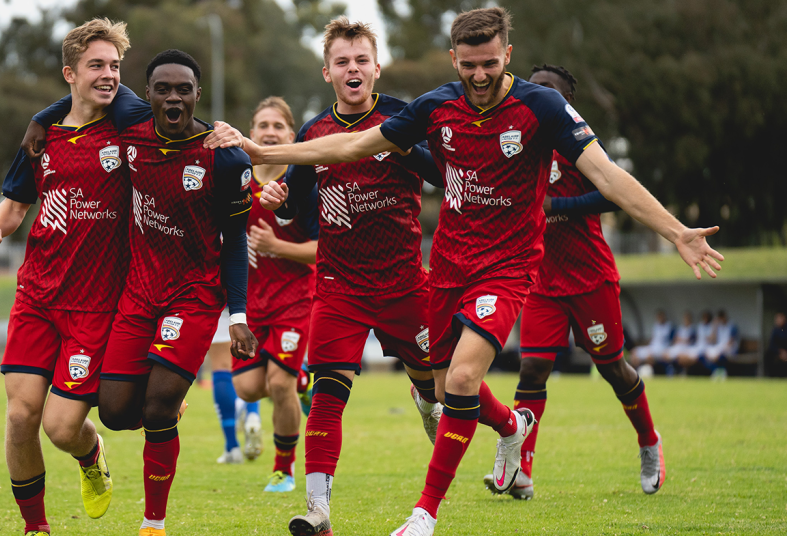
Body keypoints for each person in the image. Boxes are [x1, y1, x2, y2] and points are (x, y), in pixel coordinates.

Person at [204, 8, 723, 535]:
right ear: (454, 59)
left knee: (463, 377)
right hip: (435, 271)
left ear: (508, 57)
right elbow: (352, 145)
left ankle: (424, 515)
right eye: (469, 65)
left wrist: (675, 230)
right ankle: (502, 431)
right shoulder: (434, 107)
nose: (480, 76)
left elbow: (609, 177)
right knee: (418, 390)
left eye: (490, 64)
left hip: (493, 269)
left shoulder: (541, 107)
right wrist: (261, 152)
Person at [222, 18, 455, 536]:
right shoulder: (312, 134)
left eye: (361, 60)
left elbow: (442, 173)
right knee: (327, 394)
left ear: (377, 66)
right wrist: (283, 209)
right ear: (327, 72)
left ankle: (430, 400)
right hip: (338, 289)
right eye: (342, 62)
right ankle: (317, 509)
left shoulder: (403, 116)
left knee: (435, 386)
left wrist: (400, 145)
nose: (353, 69)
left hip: (403, 285)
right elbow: (304, 215)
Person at [26, 49, 259, 536]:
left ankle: (153, 523)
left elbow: (234, 243)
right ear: (147, 95)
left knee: (155, 408)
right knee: (112, 413)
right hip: (138, 294)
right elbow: (85, 93)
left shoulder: (225, 157)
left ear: (198, 94)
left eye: (184, 90)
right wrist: (39, 119)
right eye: (163, 89)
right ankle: (169, 400)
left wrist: (237, 315)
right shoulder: (130, 123)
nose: (173, 98)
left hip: (193, 297)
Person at [479, 63, 665, 501]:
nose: (536, 95)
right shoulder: (515, 148)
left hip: (590, 278)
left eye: (548, 90)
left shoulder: (579, 145)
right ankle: (522, 471)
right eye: (532, 87)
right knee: (532, 368)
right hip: (541, 281)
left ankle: (648, 442)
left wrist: (557, 207)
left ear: (565, 103)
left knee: (613, 371)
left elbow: (611, 193)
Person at [0, 18, 131, 536]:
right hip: (37, 296)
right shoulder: (42, 137)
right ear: (70, 73)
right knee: (20, 418)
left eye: (114, 66)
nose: (108, 75)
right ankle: (35, 528)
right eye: (96, 66)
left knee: (62, 429)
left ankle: (92, 456)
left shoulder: (129, 129)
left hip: (95, 305)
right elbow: (15, 205)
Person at [231, 96, 319, 492]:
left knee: (278, 385)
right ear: (251, 133)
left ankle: (283, 469)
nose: (269, 132)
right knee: (248, 387)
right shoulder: (235, 179)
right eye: (262, 125)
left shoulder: (300, 184)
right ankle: (301, 379)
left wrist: (277, 247)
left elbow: (325, 249)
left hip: (296, 300)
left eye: (277, 126)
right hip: (250, 305)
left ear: (291, 133)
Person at [210, 309, 262, 465]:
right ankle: (253, 413)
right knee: (248, 360)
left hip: (219, 300)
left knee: (221, 365)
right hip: (248, 300)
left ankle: (232, 447)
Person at [703, 309, 739, 378]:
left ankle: (721, 372)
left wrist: (721, 349)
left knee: (720, 354)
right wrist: (714, 326)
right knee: (705, 354)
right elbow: (712, 340)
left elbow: (731, 341)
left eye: (721, 318)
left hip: (731, 348)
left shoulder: (732, 326)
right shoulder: (719, 326)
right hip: (720, 347)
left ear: (724, 317)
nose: (721, 320)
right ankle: (717, 370)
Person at [765, 312, 787, 377]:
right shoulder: (775, 330)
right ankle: (770, 376)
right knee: (767, 355)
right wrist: (780, 352)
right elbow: (771, 344)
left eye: (779, 318)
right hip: (779, 352)